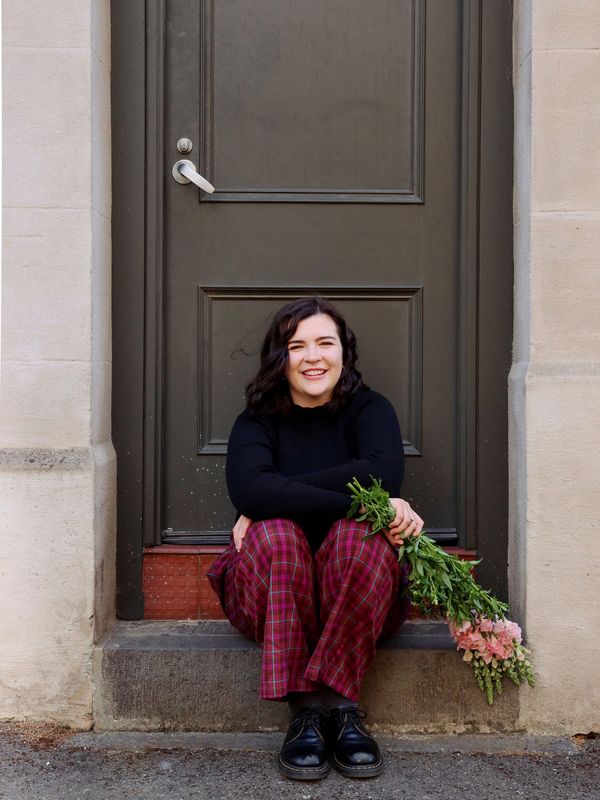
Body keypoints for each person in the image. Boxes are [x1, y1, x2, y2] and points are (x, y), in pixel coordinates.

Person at [207, 296, 424, 780]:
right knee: (279, 538)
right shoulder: (257, 420)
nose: (312, 357)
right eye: (296, 346)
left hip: (363, 594)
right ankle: (305, 711)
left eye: (325, 343)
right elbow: (249, 488)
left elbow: (382, 472)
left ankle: (344, 707)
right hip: (269, 594)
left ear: (343, 352)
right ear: (279, 357)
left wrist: (273, 495)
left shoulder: (370, 409)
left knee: (356, 539)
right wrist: (367, 497)